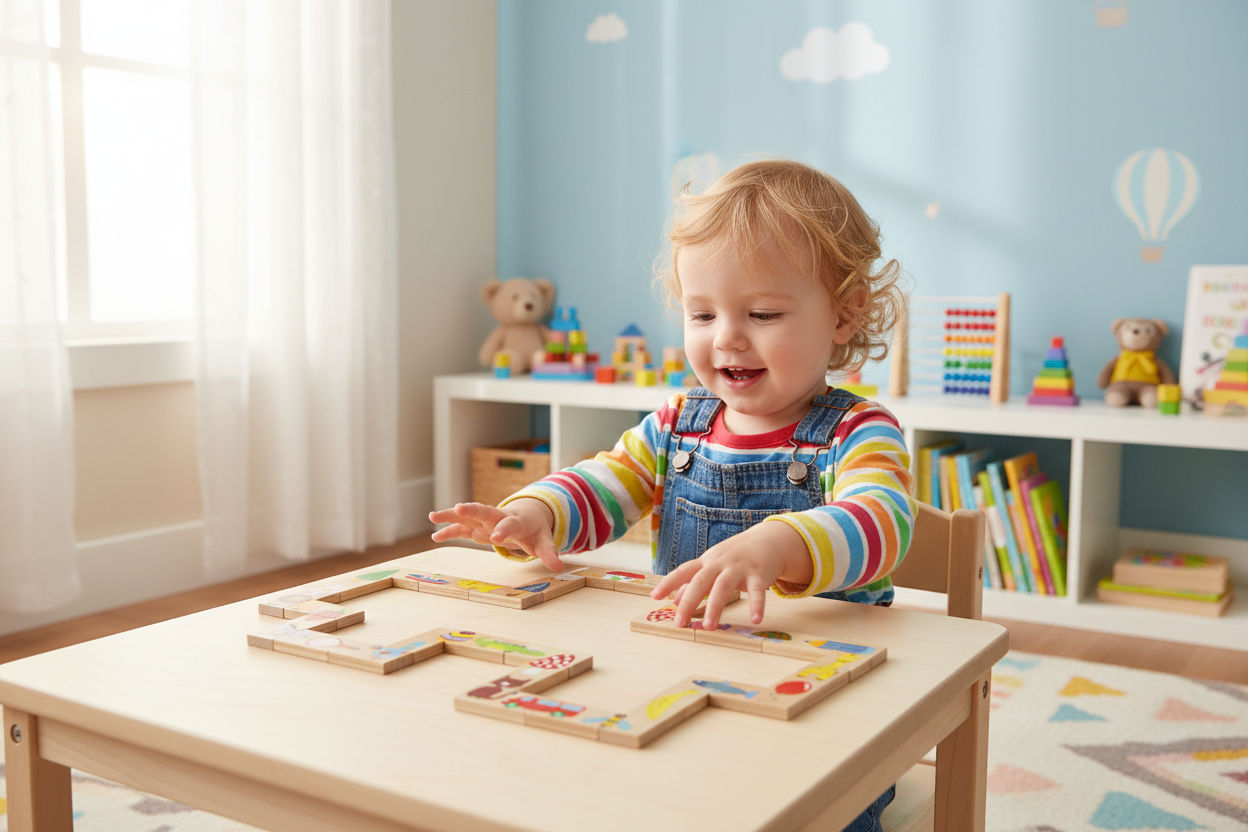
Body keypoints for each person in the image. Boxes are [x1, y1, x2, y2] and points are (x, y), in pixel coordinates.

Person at [430, 158, 913, 831]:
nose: (727, 337)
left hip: (828, 714)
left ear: (845, 311)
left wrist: (782, 543)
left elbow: (883, 523)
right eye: (702, 312)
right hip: (684, 683)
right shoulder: (675, 425)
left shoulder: (859, 431)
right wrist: (537, 510)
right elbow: (605, 481)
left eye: (764, 312)